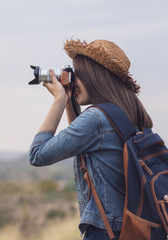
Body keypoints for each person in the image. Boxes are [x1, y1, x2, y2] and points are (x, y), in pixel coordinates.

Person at [28, 38, 153, 240]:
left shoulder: (97, 118)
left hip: (106, 231)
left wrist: (59, 101)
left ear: (94, 77)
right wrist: (70, 101)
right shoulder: (132, 113)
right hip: (133, 226)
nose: (74, 81)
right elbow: (82, 145)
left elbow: (37, 155)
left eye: (78, 75)